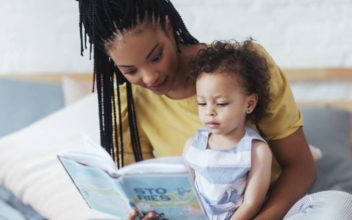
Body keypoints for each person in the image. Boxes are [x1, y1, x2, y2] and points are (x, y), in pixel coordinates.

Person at [75, 0, 352, 219]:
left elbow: (301, 167)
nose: (149, 78)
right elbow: (148, 197)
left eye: (156, 56)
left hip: (275, 211)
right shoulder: (126, 103)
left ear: (168, 27)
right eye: (130, 70)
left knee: (340, 207)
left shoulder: (241, 69)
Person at [183, 40, 272, 220]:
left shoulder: (256, 151)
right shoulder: (193, 145)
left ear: (249, 103)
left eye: (221, 103)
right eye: (202, 103)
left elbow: (251, 204)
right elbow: (187, 194)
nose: (209, 111)